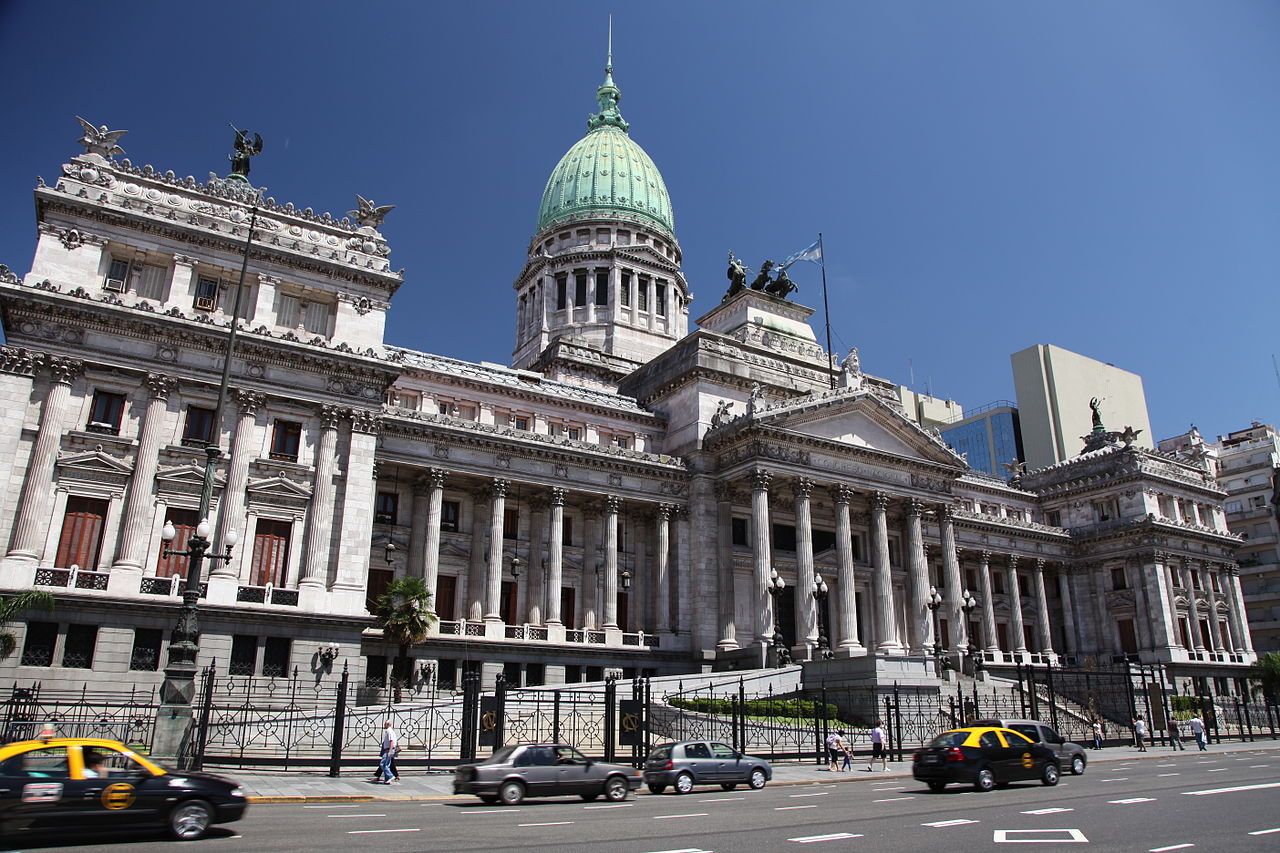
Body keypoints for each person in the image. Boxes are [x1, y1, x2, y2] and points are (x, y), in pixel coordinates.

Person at [371, 719, 399, 783]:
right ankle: (387, 779)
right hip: (390, 749)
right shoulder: (390, 731)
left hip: (389, 750)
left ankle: (390, 776)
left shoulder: (389, 731)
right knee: (387, 765)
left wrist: (389, 751)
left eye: (384, 724)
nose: (384, 725)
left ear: (387, 724)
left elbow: (391, 741)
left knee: (383, 764)